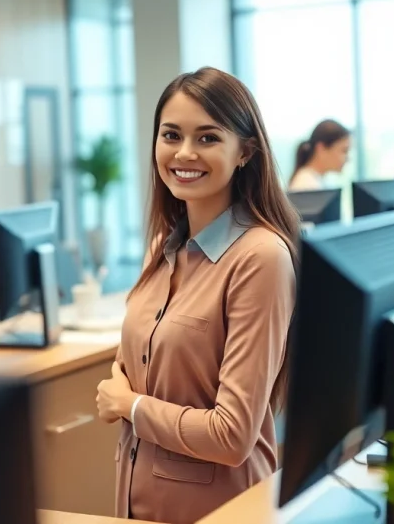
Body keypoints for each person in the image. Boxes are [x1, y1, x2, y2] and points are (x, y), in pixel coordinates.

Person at [95, 67, 299, 524]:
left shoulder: (260, 257)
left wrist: (130, 405)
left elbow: (232, 434)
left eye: (207, 138)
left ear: (245, 152)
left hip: (221, 511)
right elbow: (133, 364)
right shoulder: (161, 248)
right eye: (171, 135)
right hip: (137, 504)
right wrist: (126, 388)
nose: (184, 152)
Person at [287, 119, 352, 191]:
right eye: (344, 151)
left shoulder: (317, 180)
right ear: (321, 148)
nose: (348, 158)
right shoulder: (306, 185)